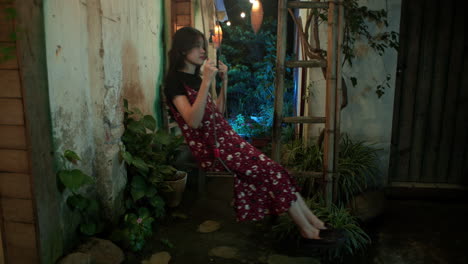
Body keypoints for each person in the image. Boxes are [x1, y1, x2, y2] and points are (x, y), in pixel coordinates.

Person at [164, 27, 326, 240]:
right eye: (196, 46)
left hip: (228, 141)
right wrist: (206, 82)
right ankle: (307, 230)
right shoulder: (175, 81)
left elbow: (217, 113)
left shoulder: (196, 78)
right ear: (183, 50)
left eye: (203, 45)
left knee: (276, 171)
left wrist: (224, 81)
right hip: (215, 150)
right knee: (272, 173)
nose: (202, 50)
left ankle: (314, 223)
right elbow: (193, 121)